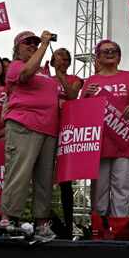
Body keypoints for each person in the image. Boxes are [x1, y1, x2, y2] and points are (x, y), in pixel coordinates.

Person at [0, 30, 61, 242]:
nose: (33, 46)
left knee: (44, 180)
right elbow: (26, 73)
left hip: (49, 129)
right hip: (24, 124)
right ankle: (9, 219)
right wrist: (44, 45)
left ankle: (42, 223)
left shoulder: (46, 73)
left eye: (35, 43)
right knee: (19, 173)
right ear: (17, 48)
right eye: (28, 43)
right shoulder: (15, 66)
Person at [82, 40, 129, 219]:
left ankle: (119, 230)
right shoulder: (91, 80)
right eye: (105, 51)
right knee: (99, 192)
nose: (109, 53)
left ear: (120, 56)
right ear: (97, 57)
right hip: (99, 144)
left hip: (125, 143)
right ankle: (99, 233)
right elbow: (80, 113)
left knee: (123, 189)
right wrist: (85, 96)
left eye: (114, 50)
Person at [51, 47, 83, 237]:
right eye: (59, 57)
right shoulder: (45, 79)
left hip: (66, 133)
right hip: (46, 130)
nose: (63, 60)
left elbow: (72, 96)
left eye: (66, 58)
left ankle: (70, 224)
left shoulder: (74, 79)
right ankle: (42, 221)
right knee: (43, 177)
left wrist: (61, 75)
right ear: (52, 60)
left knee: (66, 181)